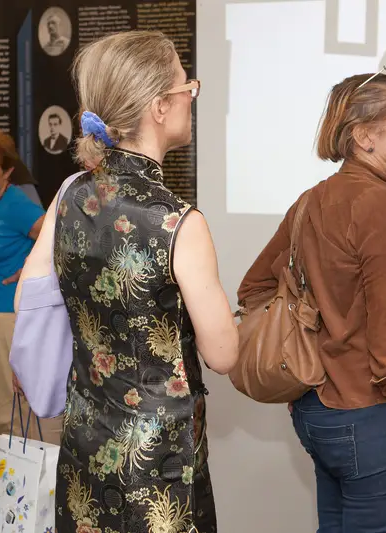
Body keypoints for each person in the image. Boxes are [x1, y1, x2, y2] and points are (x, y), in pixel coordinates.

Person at [15, 30, 238, 533]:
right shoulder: (179, 220)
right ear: (160, 105)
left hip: (84, 446)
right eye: (188, 86)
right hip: (160, 468)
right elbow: (224, 356)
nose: (191, 96)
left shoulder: (68, 197)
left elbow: (28, 295)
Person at [237, 69, 386, 532]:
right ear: (364, 136)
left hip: (318, 416)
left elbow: (254, 289)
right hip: (375, 424)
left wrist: (306, 370)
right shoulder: (385, 210)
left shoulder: (313, 200)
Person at [0, 129, 61, 522]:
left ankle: (6, 501)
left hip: (4, 322)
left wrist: (29, 270)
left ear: (6, 173)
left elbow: (52, 240)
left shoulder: (15, 205)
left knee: (3, 415)